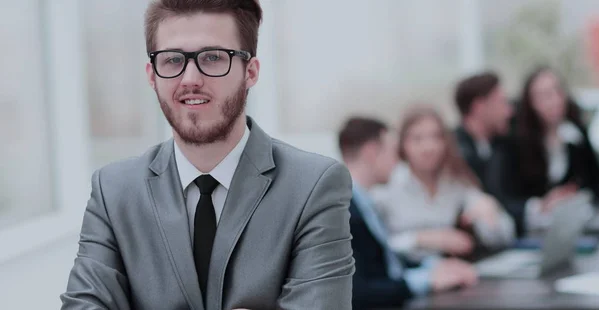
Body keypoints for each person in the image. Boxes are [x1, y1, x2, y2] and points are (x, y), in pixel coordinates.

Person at [61, 1, 355, 309]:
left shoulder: (313, 185)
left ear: (250, 71)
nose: (190, 79)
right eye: (173, 59)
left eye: (213, 57)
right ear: (152, 75)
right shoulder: (113, 190)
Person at [338, 117, 478, 310]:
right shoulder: (344, 211)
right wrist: (425, 280)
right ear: (371, 152)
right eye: (393, 152)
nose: (397, 161)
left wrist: (432, 268)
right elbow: (358, 290)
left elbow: (386, 266)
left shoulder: (364, 204)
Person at [371, 107, 515, 262]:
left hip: (457, 273)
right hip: (408, 277)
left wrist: (489, 212)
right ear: (402, 145)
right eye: (417, 139)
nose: (429, 147)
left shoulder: (456, 184)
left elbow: (505, 235)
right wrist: (421, 239)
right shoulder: (387, 189)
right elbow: (374, 248)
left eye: (436, 137)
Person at [492, 66, 599, 235]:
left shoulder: (574, 134)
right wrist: (541, 204)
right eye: (545, 95)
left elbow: (594, 181)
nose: (555, 101)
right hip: (532, 231)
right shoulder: (514, 142)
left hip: (575, 226)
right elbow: (503, 197)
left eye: (558, 91)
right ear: (530, 102)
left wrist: (574, 195)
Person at [453, 71, 514, 192]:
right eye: (502, 102)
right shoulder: (455, 151)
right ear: (479, 107)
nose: (509, 111)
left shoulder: (501, 144)